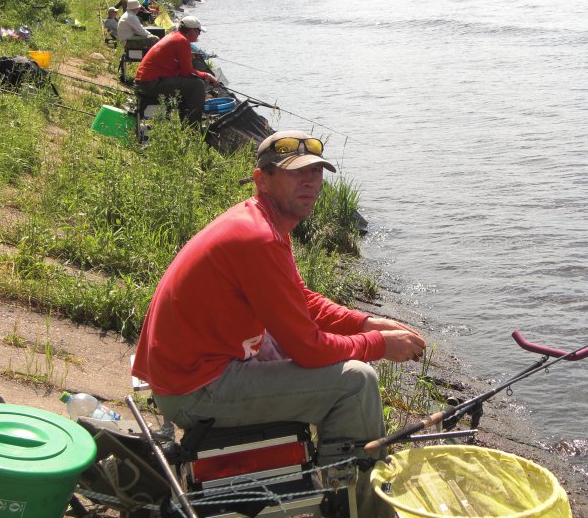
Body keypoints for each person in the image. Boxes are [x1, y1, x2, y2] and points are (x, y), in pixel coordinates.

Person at [132, 130, 426, 516]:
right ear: (262, 179)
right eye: (295, 173)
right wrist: (379, 347)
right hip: (194, 390)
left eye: (317, 173)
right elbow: (309, 348)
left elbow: (301, 301)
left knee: (297, 344)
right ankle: (360, 508)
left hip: (189, 373)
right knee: (356, 383)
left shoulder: (260, 221)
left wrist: (368, 322)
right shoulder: (259, 238)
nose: (310, 182)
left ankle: (328, 479)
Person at [133, 15, 219, 125]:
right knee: (197, 85)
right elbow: (187, 72)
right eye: (198, 31)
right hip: (150, 85)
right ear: (191, 30)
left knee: (188, 85)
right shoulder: (182, 41)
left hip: (144, 82)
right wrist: (206, 75)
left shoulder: (174, 36)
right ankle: (193, 128)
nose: (199, 33)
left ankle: (186, 121)